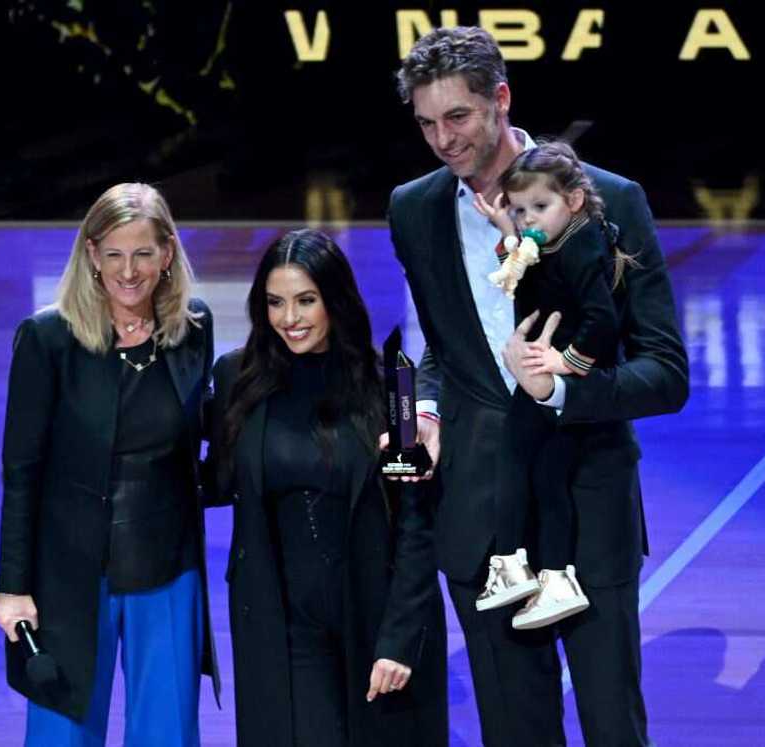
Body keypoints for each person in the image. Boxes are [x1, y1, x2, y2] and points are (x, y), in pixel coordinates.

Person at [389, 26, 689, 746]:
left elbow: (665, 371)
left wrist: (561, 391)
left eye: (457, 117)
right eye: (427, 123)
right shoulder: (413, 207)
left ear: (502, 98)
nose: (443, 140)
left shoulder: (610, 200)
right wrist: (423, 412)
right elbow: (439, 345)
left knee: (612, 727)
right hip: (480, 523)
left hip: (586, 509)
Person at [0, 182, 218, 746]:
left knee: (167, 733)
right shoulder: (48, 339)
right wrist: (12, 587)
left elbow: (200, 442)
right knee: (61, 735)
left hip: (167, 566)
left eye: (143, 253)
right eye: (113, 254)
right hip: (71, 573)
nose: (129, 271)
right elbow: (21, 473)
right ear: (91, 255)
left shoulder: (192, 328)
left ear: (167, 253)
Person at [203, 229, 447, 747]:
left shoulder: (389, 388)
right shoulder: (237, 380)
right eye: (275, 302)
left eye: (305, 300)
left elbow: (416, 525)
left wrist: (401, 638)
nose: (289, 318)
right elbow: (215, 480)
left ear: (334, 299)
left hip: (373, 615)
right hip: (282, 620)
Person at [471, 141, 638, 631]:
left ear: (575, 200)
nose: (529, 221)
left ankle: (512, 563)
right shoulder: (562, 239)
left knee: (515, 464)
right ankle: (550, 576)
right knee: (543, 477)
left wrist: (563, 363)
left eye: (539, 208)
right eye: (520, 210)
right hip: (550, 384)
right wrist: (507, 232)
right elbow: (531, 266)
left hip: (554, 384)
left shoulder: (583, 247)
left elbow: (602, 322)